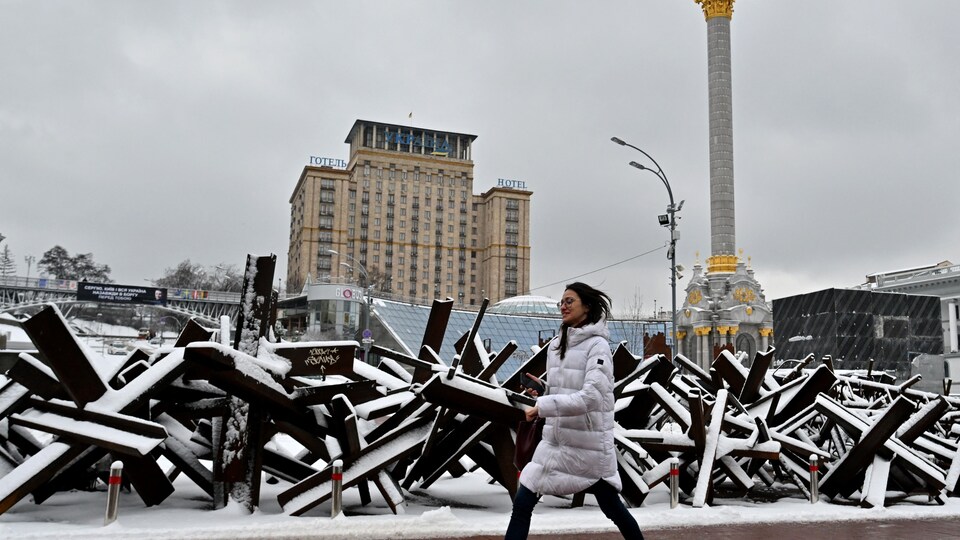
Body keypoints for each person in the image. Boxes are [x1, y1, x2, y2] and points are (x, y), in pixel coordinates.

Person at [505, 282, 643, 540]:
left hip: (587, 448)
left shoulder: (598, 347)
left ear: (587, 307)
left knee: (612, 508)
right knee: (522, 503)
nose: (563, 306)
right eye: (562, 302)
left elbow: (590, 398)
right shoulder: (557, 346)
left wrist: (542, 407)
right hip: (554, 444)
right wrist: (543, 389)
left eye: (570, 301)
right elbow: (564, 391)